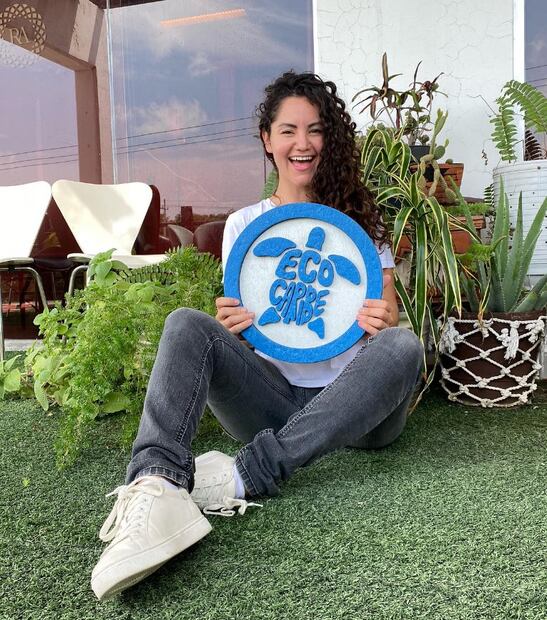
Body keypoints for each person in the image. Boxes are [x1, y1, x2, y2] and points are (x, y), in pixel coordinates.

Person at [90, 71, 423, 601]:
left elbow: (389, 316)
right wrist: (235, 331)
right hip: (273, 405)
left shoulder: (360, 224)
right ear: (267, 139)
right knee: (186, 323)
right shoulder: (245, 226)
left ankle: (246, 475)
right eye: (288, 130)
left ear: (329, 139)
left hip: (357, 416)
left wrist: (383, 320)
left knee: (403, 345)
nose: (303, 143)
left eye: (315, 130)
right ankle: (156, 486)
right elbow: (253, 329)